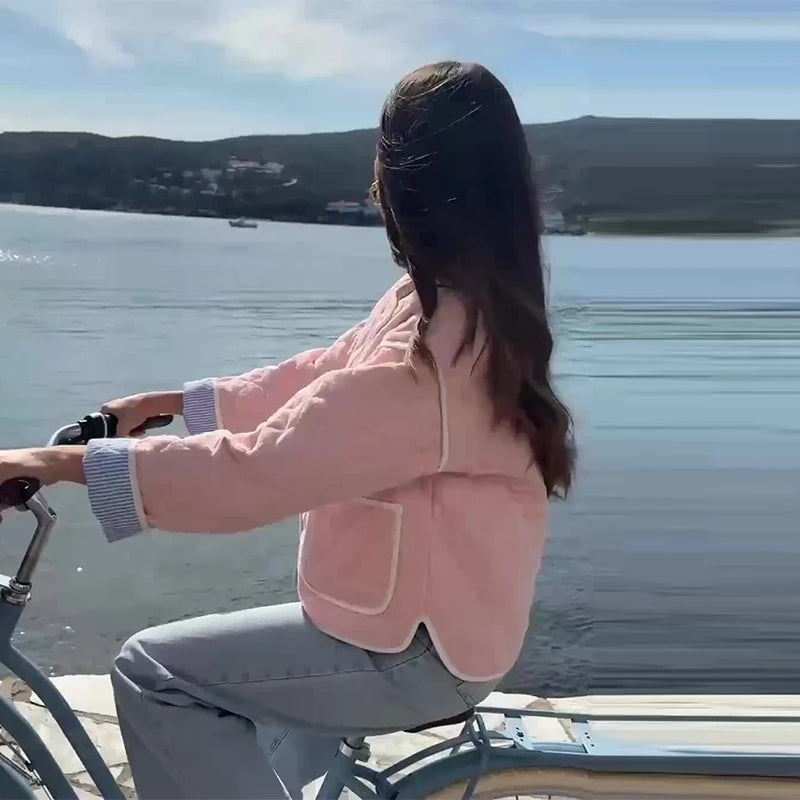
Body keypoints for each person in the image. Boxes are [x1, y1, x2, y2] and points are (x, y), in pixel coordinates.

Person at [0, 61, 574, 799]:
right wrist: (168, 401)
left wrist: (50, 462)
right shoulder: (454, 306)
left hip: (416, 650)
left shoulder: (436, 363)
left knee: (157, 674)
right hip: (399, 620)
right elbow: (320, 375)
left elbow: (252, 475)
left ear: (403, 181)